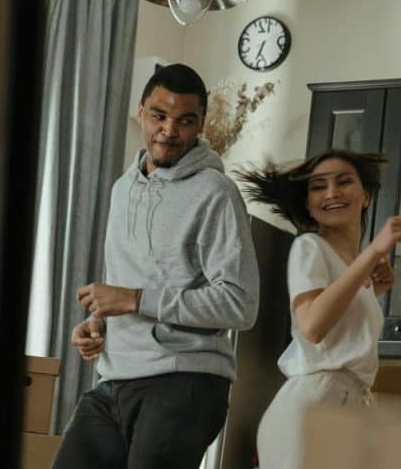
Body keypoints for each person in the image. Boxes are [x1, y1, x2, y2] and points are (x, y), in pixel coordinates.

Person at [52, 63, 260, 469]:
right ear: (141, 111)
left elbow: (241, 305)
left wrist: (135, 300)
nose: (169, 131)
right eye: (159, 116)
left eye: (185, 121)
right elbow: (126, 284)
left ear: (201, 123)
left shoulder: (216, 193)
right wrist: (100, 325)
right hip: (114, 380)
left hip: (185, 382)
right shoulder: (122, 188)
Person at [237, 149, 401, 469]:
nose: (332, 193)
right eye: (319, 186)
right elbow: (312, 326)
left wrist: (373, 288)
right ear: (308, 203)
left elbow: (340, 328)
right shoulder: (309, 247)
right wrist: (374, 251)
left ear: (366, 195)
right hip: (312, 408)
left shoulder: (348, 267)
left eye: (344, 182)